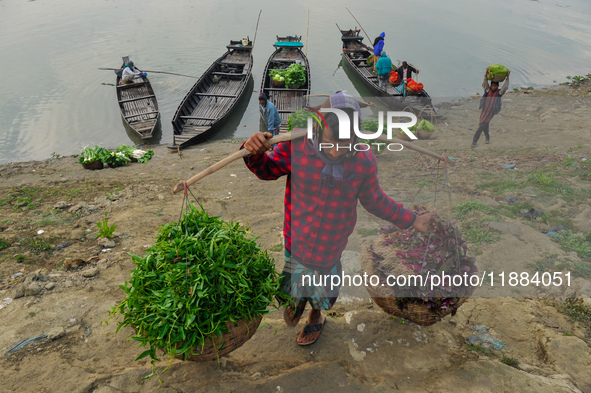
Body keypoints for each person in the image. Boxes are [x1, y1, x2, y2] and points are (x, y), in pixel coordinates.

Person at [242, 91, 438, 346]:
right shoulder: (297, 145)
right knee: (296, 280)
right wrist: (254, 150)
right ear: (318, 127)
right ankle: (298, 302)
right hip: (296, 238)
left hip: (330, 246)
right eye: (328, 143)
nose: (334, 152)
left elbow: (375, 200)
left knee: (322, 290)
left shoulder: (363, 160)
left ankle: (316, 316)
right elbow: (266, 169)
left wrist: (412, 219)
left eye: (343, 145)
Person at [472, 67, 510, 147]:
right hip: (484, 110)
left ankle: (474, 141)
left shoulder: (499, 93)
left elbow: (505, 87)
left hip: (491, 111)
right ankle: (487, 138)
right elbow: (484, 83)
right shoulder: (487, 90)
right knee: (485, 124)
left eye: (495, 86)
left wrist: (507, 77)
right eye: (492, 86)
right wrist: (486, 73)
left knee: (482, 125)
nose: (493, 87)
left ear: (497, 86)